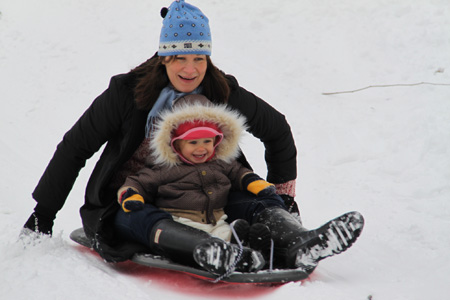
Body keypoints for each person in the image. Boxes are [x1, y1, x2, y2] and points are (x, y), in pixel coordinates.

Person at [23, 0, 364, 274]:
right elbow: (75, 147)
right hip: (135, 199)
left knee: (260, 201)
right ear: (163, 57)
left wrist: (284, 195)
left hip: (208, 191)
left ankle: (299, 241)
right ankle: (209, 251)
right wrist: (44, 213)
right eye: (179, 58)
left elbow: (277, 130)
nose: (190, 69)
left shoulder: (220, 89)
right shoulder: (125, 94)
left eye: (199, 58)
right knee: (140, 218)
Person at [115, 95, 280, 274]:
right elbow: (138, 182)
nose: (201, 149)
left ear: (216, 142)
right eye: (193, 142)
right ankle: (226, 254)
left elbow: (239, 173)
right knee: (206, 244)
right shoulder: (165, 167)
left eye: (207, 142)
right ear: (176, 144)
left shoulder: (221, 162)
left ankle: (249, 251)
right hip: (181, 223)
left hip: (217, 221)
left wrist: (254, 183)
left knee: (225, 237)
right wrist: (131, 195)